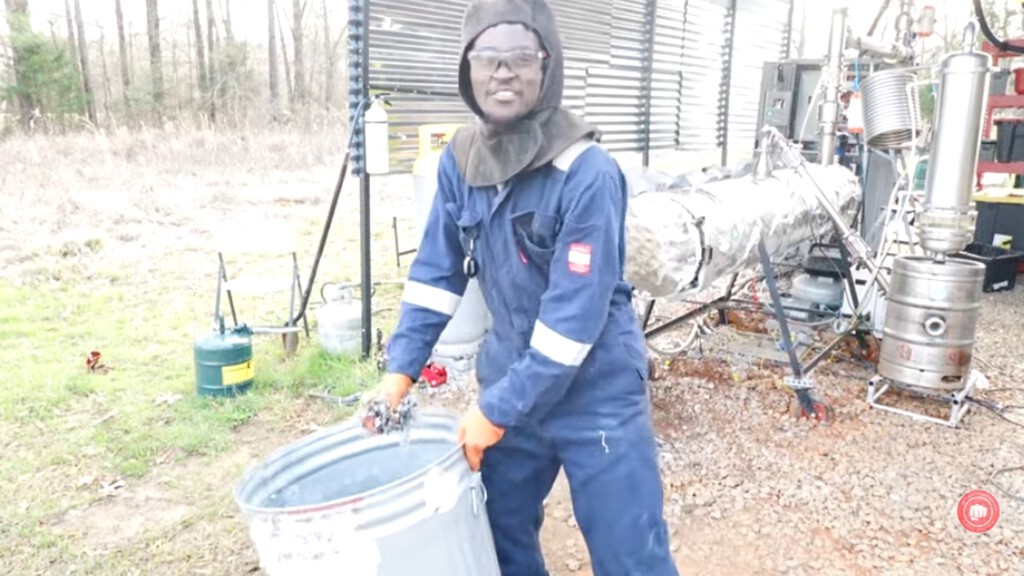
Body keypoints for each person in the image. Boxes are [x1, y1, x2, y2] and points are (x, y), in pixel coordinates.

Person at [375, 0, 680, 574]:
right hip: (513, 372)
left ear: (549, 65)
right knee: (495, 534)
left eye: (521, 56)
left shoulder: (586, 171)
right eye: (488, 57)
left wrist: (494, 409)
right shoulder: (459, 160)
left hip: (596, 388)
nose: (504, 72)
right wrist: (399, 374)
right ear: (468, 69)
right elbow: (436, 275)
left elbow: (572, 324)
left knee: (629, 553)